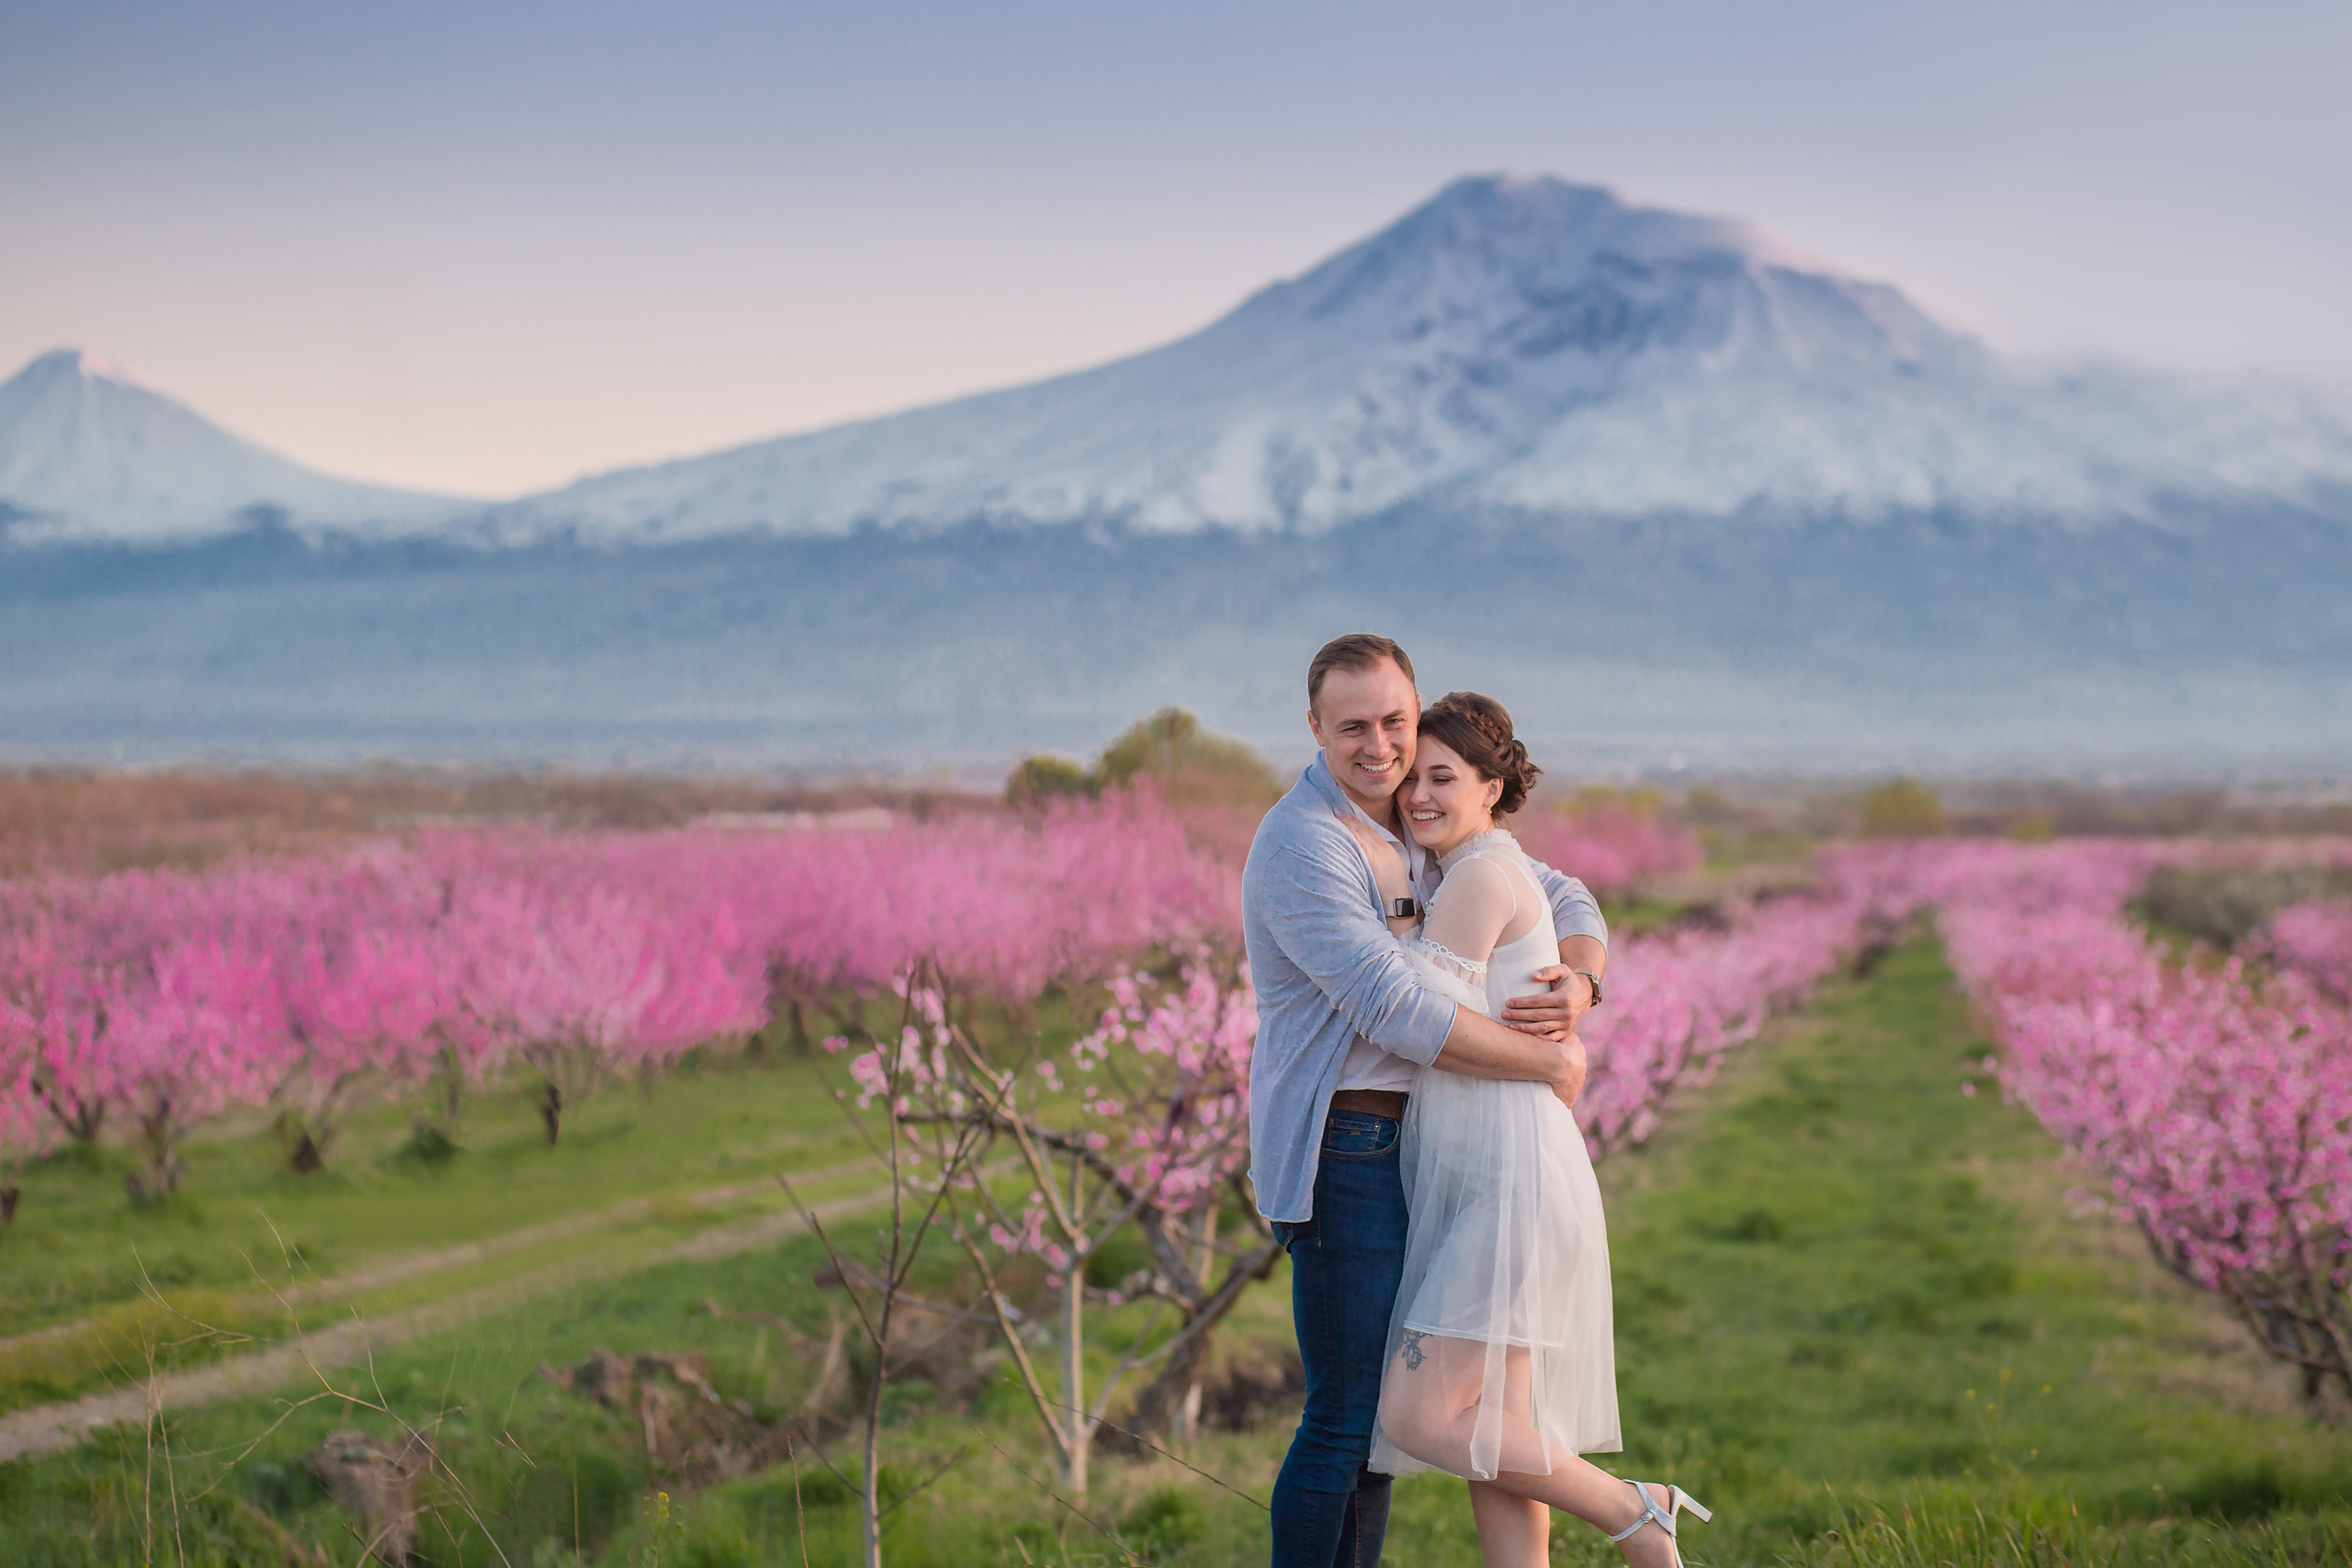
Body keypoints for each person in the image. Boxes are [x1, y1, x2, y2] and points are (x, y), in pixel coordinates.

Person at [1244, 634, 1606, 1568]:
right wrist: (1545, 1065)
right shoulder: (1305, 844)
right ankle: (1632, 1514)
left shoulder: (1418, 819)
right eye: (1352, 727)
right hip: (1346, 1140)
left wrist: (1581, 981)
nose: (1379, 746)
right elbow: (1395, 1009)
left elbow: (1561, 891)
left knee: (1378, 1427)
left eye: (1394, 722)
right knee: (1346, 1415)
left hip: (1427, 1144)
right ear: (1314, 727)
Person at [1356, 693, 1710, 1568]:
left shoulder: (1479, 878)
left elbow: (1412, 1015)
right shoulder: (1478, 866)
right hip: (1503, 1169)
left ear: (1491, 787)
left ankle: (1635, 1508)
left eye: (1443, 778)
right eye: (1412, 779)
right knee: (1495, 1430)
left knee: (1418, 1414)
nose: (1419, 796)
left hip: (1506, 1180)